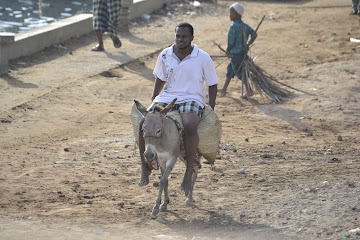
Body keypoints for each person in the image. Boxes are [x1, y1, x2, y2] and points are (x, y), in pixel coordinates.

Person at [138, 23, 218, 194]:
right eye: (178, 36)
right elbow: (160, 78)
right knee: (142, 123)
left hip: (192, 98)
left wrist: (211, 106)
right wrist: (154, 98)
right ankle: (145, 166)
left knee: (189, 126)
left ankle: (188, 172)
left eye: (184, 36)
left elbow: (212, 83)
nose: (180, 39)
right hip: (167, 97)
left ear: (191, 38)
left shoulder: (202, 57)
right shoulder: (165, 54)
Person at [218, 2, 257, 97]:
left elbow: (231, 42)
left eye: (230, 13)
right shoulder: (245, 26)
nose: (229, 15)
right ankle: (224, 89)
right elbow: (254, 34)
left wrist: (227, 51)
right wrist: (248, 44)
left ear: (235, 14)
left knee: (239, 72)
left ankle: (249, 90)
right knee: (230, 69)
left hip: (235, 54)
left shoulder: (233, 27)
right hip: (241, 53)